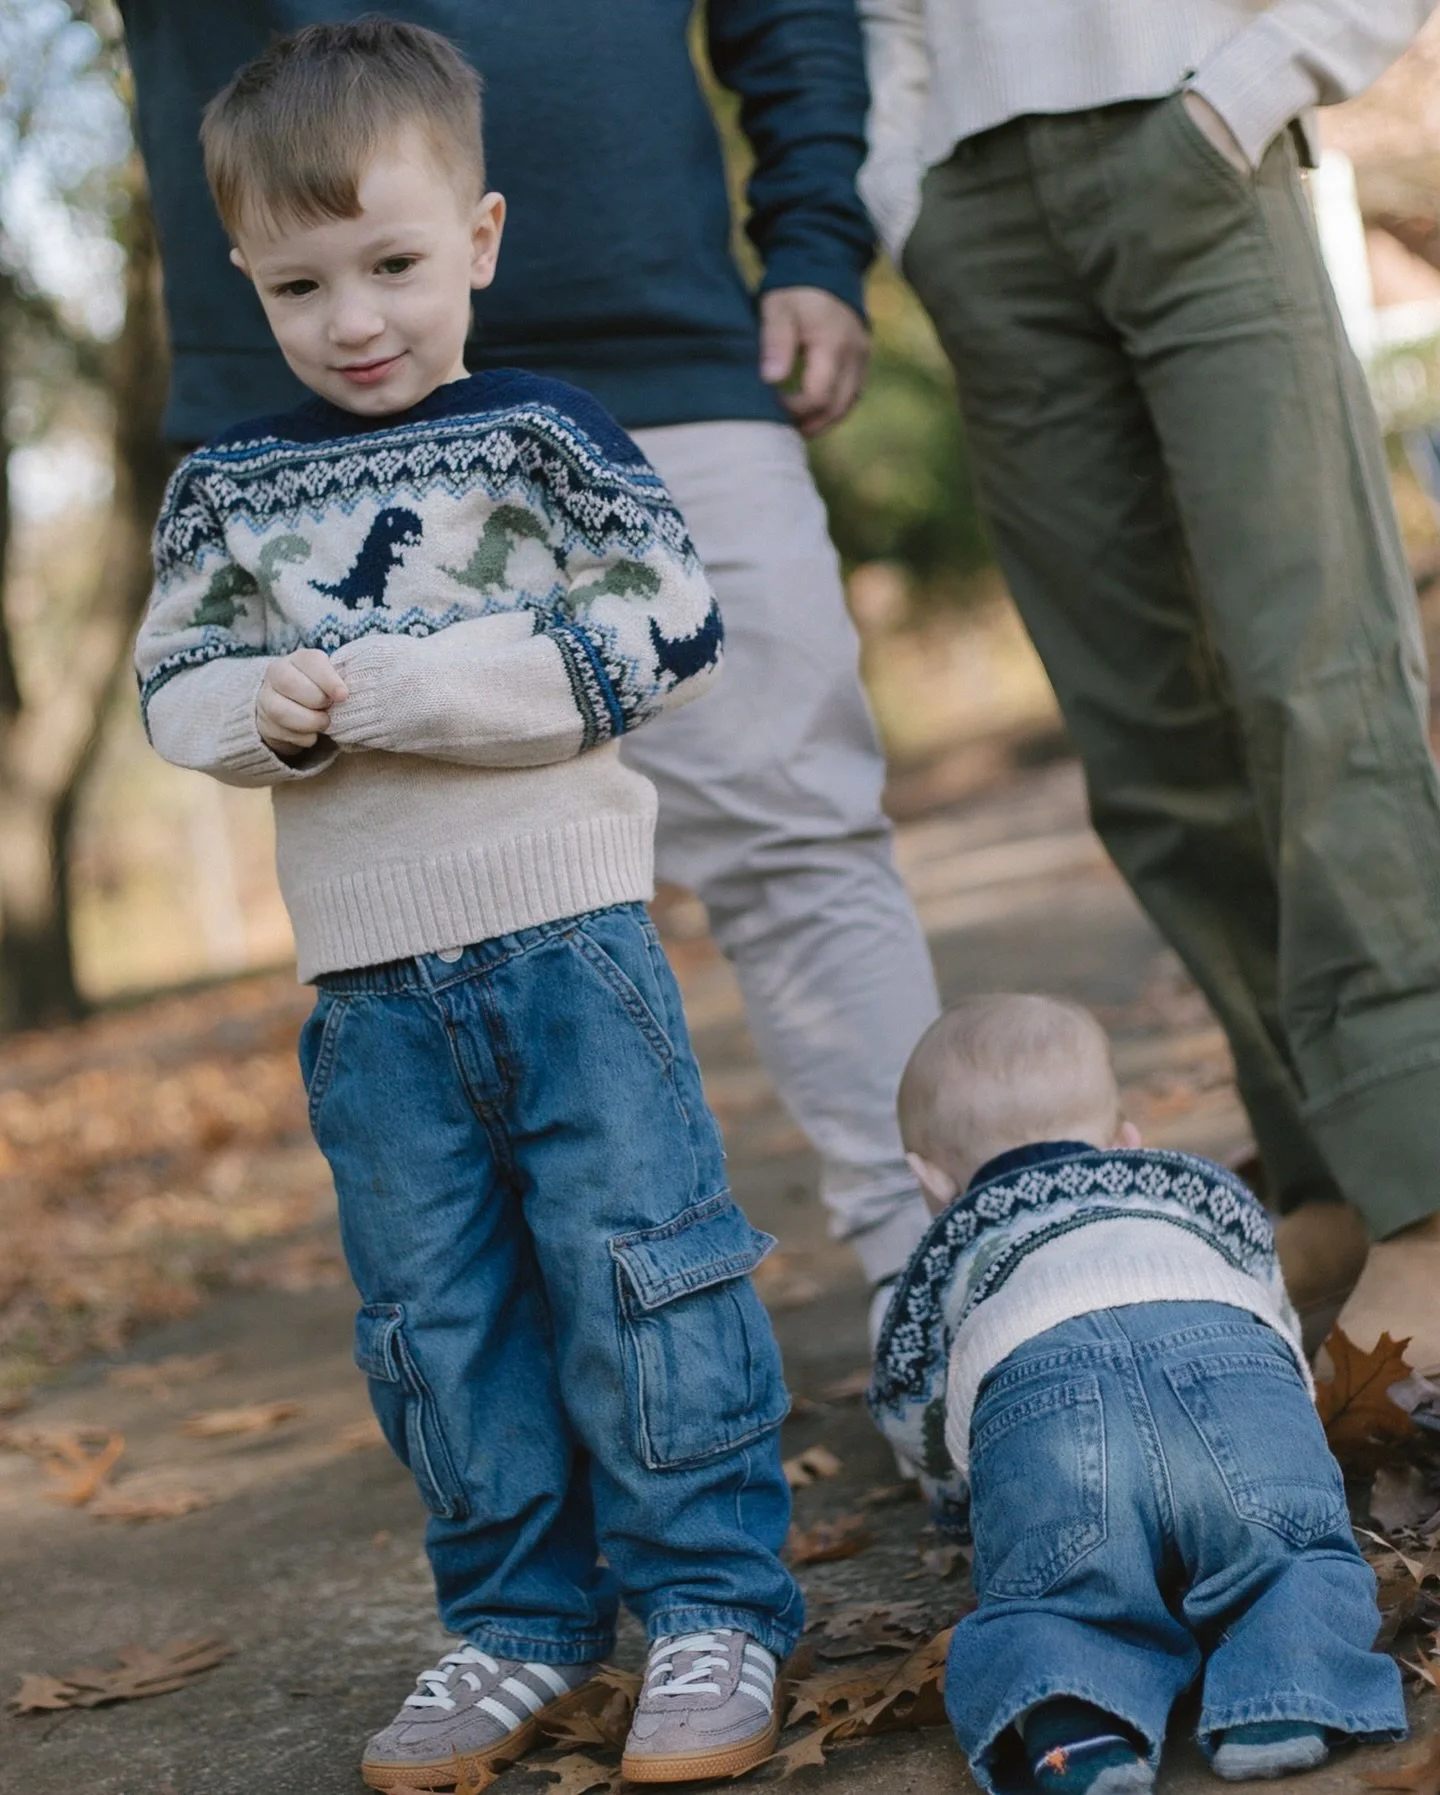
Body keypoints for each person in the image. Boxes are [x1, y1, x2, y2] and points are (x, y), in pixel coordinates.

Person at [134, 23, 801, 1786]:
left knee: (637, 1264)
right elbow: (172, 682)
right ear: (250, 284)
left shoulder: (544, 442)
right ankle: (512, 1620)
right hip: (367, 991)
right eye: (300, 284)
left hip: (571, 944)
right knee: (436, 1310)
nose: (353, 319)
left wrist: (404, 686)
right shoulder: (230, 490)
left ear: (483, 240)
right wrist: (258, 720)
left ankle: (714, 1601)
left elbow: (664, 627)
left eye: (395, 265)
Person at [117, 0, 942, 1317]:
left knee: (798, 833)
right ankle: (545, 1423)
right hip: (289, 423)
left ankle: (937, 1293)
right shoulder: (262, 437)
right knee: (411, 940)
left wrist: (813, 238)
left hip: (656, 328)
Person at [856, 0, 1440, 1367]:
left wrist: (1255, 81)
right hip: (974, 206)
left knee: (1316, 679)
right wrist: (903, 193)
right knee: (1144, 740)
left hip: (1194, 139)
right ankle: (1329, 1177)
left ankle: (1424, 1183)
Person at [870, 994, 1406, 1795]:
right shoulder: (1196, 1188)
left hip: (1041, 1391)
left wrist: (955, 1500)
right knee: (1288, 1554)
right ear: (1127, 1136)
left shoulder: (947, 1243)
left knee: (1058, 1598)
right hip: (1231, 1367)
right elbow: (1270, 1298)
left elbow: (913, 1403)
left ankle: (1075, 1730)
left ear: (927, 1180)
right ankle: (1283, 1698)